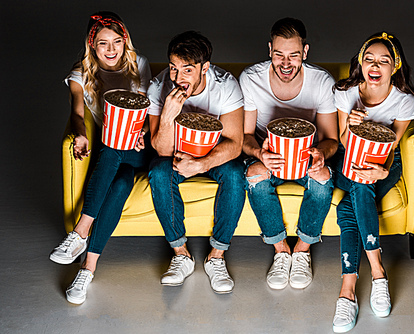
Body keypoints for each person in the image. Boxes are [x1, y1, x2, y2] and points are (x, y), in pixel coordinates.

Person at [49, 12, 152, 304]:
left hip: (140, 147)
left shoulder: (139, 64)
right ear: (92, 45)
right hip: (112, 151)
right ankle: (87, 269)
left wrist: (142, 130)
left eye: (117, 42)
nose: (111, 50)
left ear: (125, 42)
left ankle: (81, 232)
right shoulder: (80, 72)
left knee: (114, 144)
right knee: (119, 185)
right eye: (103, 43)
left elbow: (147, 108)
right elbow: (77, 113)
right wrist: (79, 133)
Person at [331, 32, 414, 332]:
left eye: (383, 60)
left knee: (351, 202)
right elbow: (343, 142)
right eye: (369, 58)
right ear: (361, 62)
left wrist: (381, 173)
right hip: (350, 161)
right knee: (358, 180)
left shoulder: (404, 100)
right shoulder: (346, 93)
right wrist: (352, 126)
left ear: (394, 67)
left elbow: (392, 146)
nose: (375, 65)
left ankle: (348, 289)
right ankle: (378, 272)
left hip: (385, 164)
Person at [239, 18, 338, 290]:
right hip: (268, 156)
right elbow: (245, 137)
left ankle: (302, 250)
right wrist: (259, 153)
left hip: (307, 157)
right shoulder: (251, 78)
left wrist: (320, 155)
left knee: (322, 177)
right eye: (279, 54)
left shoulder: (321, 81)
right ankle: (281, 251)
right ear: (269, 49)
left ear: (305, 52)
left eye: (293, 56)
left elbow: (332, 140)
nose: (285, 63)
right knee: (254, 175)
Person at [147, 31, 245, 294]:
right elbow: (161, 151)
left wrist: (201, 165)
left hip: (213, 158)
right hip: (176, 156)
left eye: (187, 70)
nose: (178, 79)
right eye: (173, 68)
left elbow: (235, 144)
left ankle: (217, 256)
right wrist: (167, 116)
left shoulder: (226, 85)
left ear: (205, 68)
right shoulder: (158, 87)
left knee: (236, 173)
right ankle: (181, 255)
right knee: (158, 172)